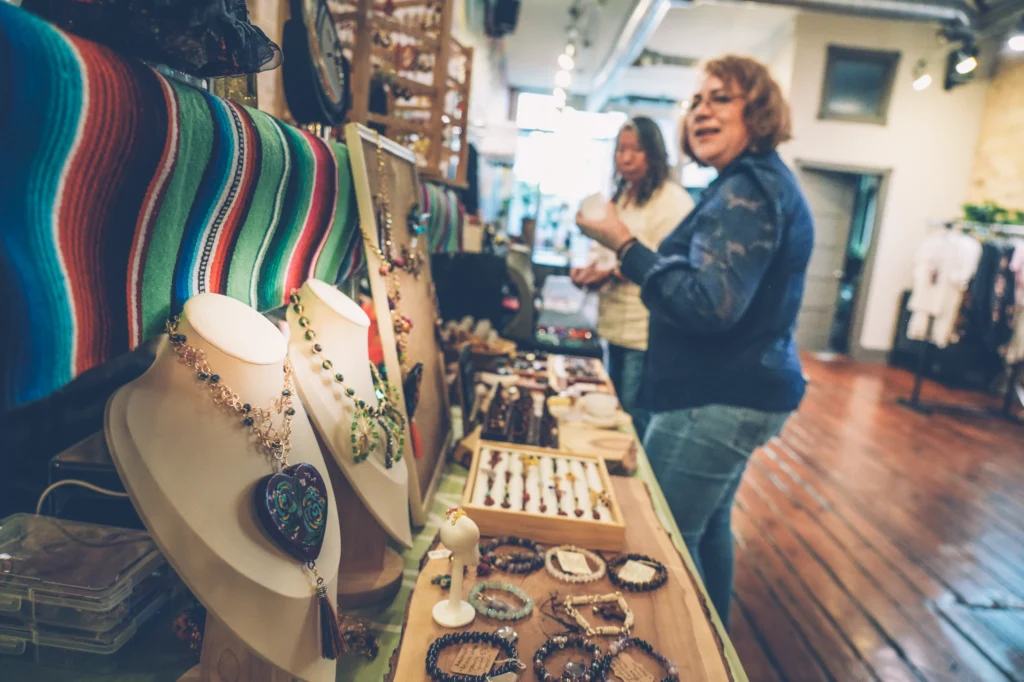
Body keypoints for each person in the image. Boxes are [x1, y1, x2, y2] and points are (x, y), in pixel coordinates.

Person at [575, 55, 813, 628]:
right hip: (736, 388)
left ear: (757, 111)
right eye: (697, 101)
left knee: (661, 538)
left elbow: (710, 305)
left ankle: (688, 655)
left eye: (721, 98)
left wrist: (622, 243)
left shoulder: (749, 187)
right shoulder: (747, 182)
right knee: (704, 529)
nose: (702, 111)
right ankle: (718, 650)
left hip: (717, 395)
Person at [570, 117, 693, 438]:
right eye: (621, 149)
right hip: (613, 326)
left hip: (645, 331)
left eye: (636, 149)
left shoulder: (673, 201)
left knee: (632, 420)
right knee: (610, 409)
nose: (626, 158)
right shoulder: (621, 198)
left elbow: (667, 265)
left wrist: (613, 272)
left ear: (654, 153)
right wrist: (589, 271)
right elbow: (606, 251)